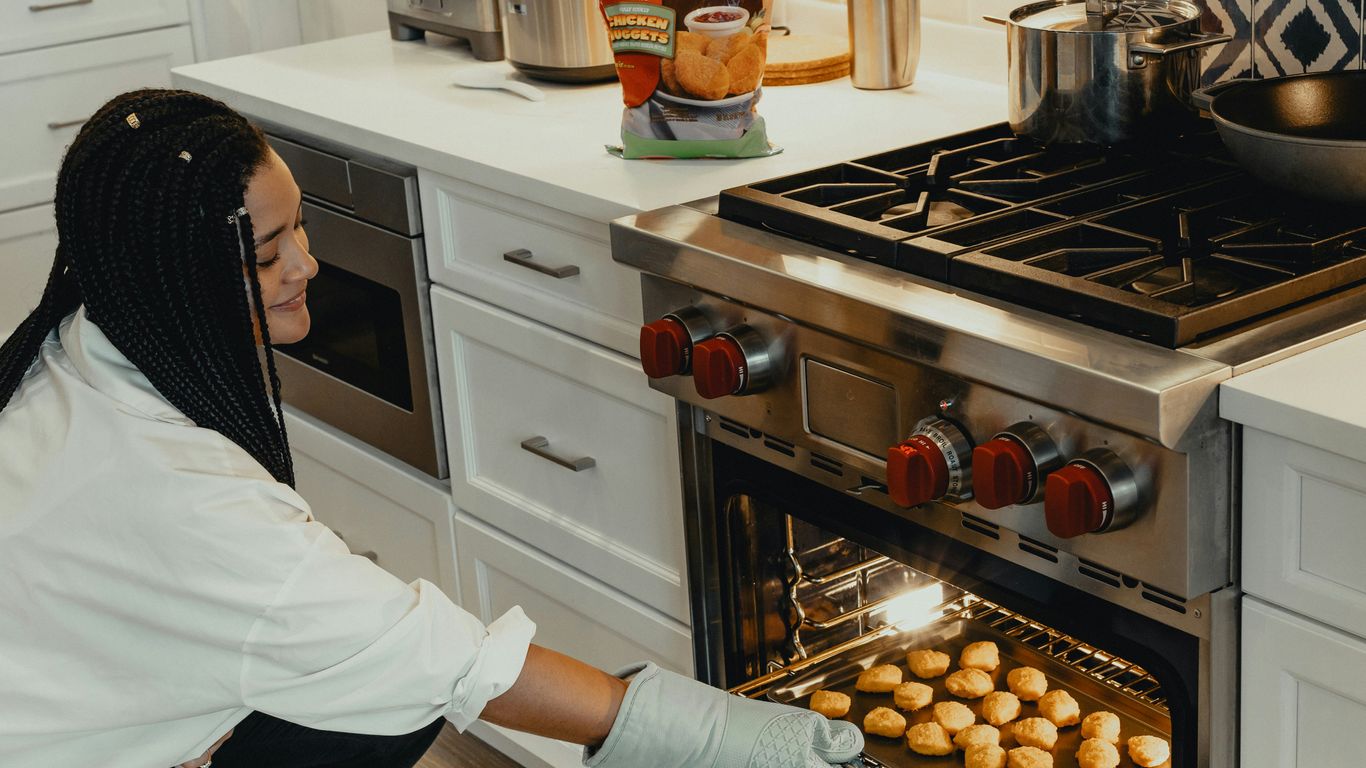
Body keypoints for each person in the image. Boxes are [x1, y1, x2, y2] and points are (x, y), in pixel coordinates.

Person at [0, 89, 864, 768]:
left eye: (299, 225)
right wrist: (714, 737)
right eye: (264, 255)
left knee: (372, 707)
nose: (306, 264)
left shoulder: (80, 346)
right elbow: (444, 661)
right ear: (168, 275)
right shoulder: (183, 500)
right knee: (402, 689)